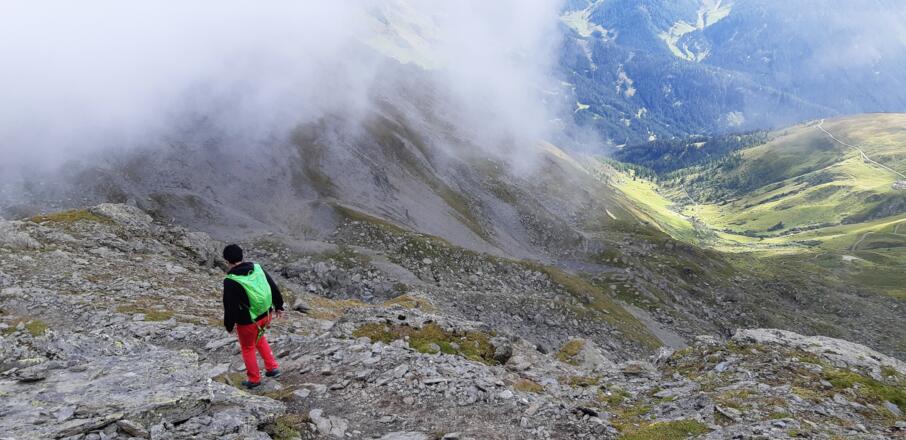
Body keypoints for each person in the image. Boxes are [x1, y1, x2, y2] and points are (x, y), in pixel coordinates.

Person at [222, 244, 285, 389]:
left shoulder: (230, 280)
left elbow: (230, 306)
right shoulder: (257, 267)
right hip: (266, 314)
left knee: (248, 347)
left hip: (249, 321)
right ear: (242, 256)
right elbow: (272, 286)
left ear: (227, 260)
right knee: (259, 338)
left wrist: (229, 325)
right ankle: (272, 368)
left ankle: (254, 379)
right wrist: (279, 306)